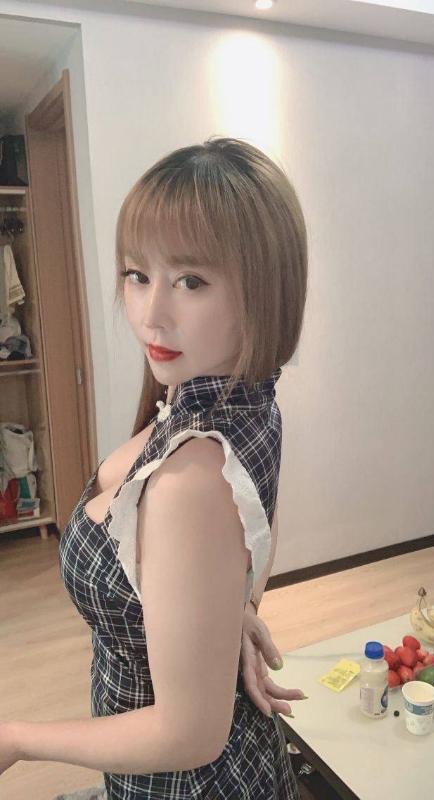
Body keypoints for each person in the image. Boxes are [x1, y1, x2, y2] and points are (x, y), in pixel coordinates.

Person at [1, 137, 308, 798]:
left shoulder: (192, 479)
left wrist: (18, 739)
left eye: (191, 281)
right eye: (137, 274)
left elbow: (188, 733)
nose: (149, 313)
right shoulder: (246, 401)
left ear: (264, 290)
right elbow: (252, 531)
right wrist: (231, 612)